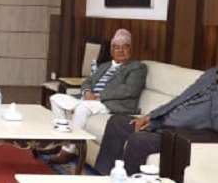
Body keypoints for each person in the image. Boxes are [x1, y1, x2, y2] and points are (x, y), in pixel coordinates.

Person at [93, 39, 218, 175]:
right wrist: (151, 116)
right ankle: (104, 177)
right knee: (118, 122)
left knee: (139, 140)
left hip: (188, 137)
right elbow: (182, 98)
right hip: (165, 125)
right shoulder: (214, 72)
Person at [48, 29, 147, 164]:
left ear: (131, 50)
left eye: (125, 47)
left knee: (82, 107)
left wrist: (99, 96)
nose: (120, 51)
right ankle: (61, 141)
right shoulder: (104, 66)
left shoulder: (137, 67)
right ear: (111, 51)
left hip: (110, 104)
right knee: (56, 98)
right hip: (90, 100)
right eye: (116, 47)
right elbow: (88, 81)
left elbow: (130, 90)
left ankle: (68, 150)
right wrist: (87, 92)